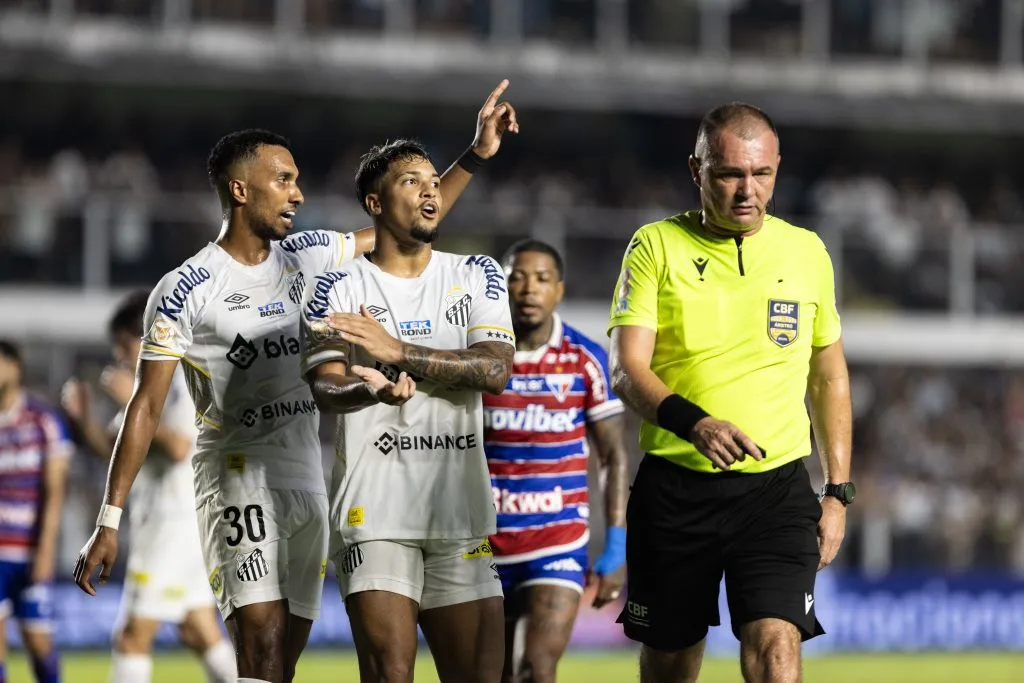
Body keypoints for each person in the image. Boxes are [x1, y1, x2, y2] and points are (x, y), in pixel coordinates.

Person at [73, 81, 518, 683]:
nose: (298, 194)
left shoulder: (309, 255)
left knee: (282, 659)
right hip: (236, 469)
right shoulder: (186, 289)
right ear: (239, 190)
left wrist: (475, 156)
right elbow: (145, 407)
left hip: (307, 470)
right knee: (260, 643)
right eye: (282, 180)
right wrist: (109, 519)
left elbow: (405, 225)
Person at [606, 102, 853, 683]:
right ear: (697, 170)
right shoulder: (654, 246)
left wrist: (838, 489)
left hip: (775, 493)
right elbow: (625, 368)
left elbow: (829, 375)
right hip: (675, 491)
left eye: (761, 174)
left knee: (777, 653)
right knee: (670, 663)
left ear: (777, 169)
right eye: (729, 174)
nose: (748, 190)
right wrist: (696, 424)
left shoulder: (807, 251)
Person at [300, 137, 517, 683]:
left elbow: (495, 370)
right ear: (375, 203)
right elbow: (325, 389)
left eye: (432, 181)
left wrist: (401, 354)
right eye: (410, 181)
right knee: (390, 674)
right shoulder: (336, 285)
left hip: (460, 517)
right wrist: (367, 391)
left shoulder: (477, 273)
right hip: (374, 516)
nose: (429, 190)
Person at [62, 291, 236, 683]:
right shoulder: (148, 390)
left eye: (124, 348)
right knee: (198, 630)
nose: (121, 359)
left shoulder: (179, 379)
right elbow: (114, 449)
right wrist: (85, 418)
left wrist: (132, 399)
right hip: (177, 520)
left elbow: (177, 447)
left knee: (130, 638)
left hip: (172, 523)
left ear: (143, 338)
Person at [484, 239, 630, 683]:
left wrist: (617, 547)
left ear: (559, 291)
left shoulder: (585, 359)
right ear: (501, 287)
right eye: (517, 276)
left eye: (542, 279)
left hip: (558, 542)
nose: (529, 288)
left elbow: (612, 457)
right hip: (483, 546)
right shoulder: (478, 360)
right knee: (495, 675)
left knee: (536, 669)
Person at [0, 341, 71, 683]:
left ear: (15, 368)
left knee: (39, 643)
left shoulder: (43, 421)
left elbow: (55, 491)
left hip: (28, 551)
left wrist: (46, 549)